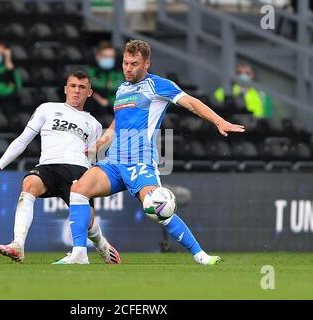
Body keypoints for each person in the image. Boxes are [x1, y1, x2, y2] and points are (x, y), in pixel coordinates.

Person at [54, 40, 245, 265]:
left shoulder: (158, 85)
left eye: (134, 64)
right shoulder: (122, 88)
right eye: (125, 62)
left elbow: (191, 103)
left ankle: (201, 256)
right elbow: (119, 121)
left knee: (158, 209)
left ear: (147, 64)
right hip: (114, 162)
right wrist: (100, 143)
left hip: (140, 162)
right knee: (78, 190)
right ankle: (79, 254)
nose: (127, 68)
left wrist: (219, 121)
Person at [0, 70, 121, 264]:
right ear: (65, 89)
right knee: (28, 184)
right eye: (73, 86)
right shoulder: (47, 108)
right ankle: (18, 245)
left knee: (89, 223)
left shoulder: (93, 124)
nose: (76, 91)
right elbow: (23, 140)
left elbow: (92, 157)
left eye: (82, 87)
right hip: (48, 167)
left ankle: (101, 242)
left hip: (77, 170)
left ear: (89, 92)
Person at [86, 41, 124, 115]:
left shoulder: (120, 74)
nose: (108, 59)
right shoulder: (89, 73)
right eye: (105, 56)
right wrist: (97, 98)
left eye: (111, 57)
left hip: (114, 112)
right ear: (97, 56)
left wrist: (109, 102)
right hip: (91, 112)